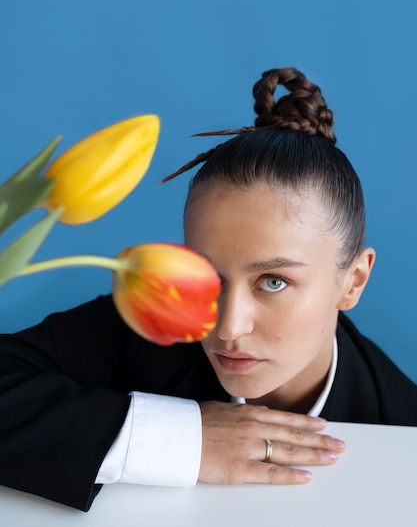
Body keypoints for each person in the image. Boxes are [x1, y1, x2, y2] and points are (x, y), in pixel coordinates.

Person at [1, 67, 416, 512]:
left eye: (273, 281)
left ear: (353, 281)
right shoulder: (149, 324)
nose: (226, 325)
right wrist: (182, 440)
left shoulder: (404, 428)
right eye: (207, 275)